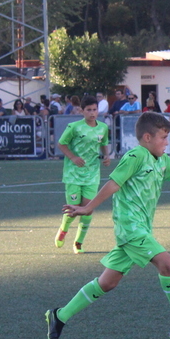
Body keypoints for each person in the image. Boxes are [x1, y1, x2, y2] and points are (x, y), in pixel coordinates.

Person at [46, 112, 170, 339]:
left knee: (107, 283)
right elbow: (113, 183)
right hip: (130, 227)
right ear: (147, 138)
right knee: (167, 263)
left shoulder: (162, 161)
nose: (167, 142)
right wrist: (88, 207)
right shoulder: (136, 155)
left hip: (142, 228)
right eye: (163, 137)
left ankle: (58, 317)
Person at [55, 95, 111, 254]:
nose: (92, 113)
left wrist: (106, 156)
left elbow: (104, 144)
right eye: (89, 110)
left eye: (95, 110)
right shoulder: (74, 127)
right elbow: (61, 143)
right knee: (74, 208)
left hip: (92, 174)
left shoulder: (103, 127)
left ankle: (78, 242)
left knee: (88, 208)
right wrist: (73, 157)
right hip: (73, 174)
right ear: (82, 111)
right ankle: (64, 229)